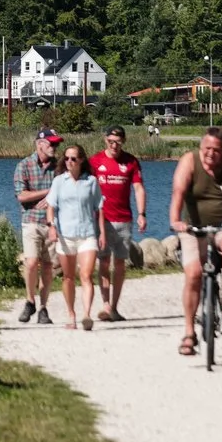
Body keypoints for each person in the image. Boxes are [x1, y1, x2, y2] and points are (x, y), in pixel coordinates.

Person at [168, 127, 222, 356]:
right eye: (207, 148)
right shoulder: (189, 161)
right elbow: (178, 192)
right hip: (194, 228)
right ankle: (189, 332)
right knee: (194, 274)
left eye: (216, 150)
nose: (211, 154)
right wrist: (176, 220)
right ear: (200, 147)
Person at [89, 126, 148, 323]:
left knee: (120, 263)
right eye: (111, 142)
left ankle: (114, 306)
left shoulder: (131, 161)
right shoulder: (95, 161)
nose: (114, 146)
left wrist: (142, 213)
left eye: (118, 142)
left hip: (124, 219)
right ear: (105, 140)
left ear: (123, 142)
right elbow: (85, 187)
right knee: (104, 261)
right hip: (102, 220)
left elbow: (138, 188)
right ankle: (105, 304)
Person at [45, 141, 103, 329]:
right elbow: (51, 206)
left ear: (81, 160)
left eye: (73, 158)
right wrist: (51, 226)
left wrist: (102, 233)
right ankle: (71, 315)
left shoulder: (91, 182)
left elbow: (99, 208)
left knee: (86, 275)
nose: (69, 161)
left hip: (87, 234)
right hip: (65, 236)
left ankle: (87, 315)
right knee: (68, 277)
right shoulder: (59, 181)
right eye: (66, 158)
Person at [11, 127, 61, 325]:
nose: (55, 147)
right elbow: (22, 196)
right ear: (40, 144)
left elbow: (65, 191)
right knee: (31, 263)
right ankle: (30, 300)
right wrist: (49, 192)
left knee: (48, 266)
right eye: (51, 143)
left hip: (52, 223)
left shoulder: (59, 167)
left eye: (56, 144)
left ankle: (43, 308)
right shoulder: (24, 165)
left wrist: (54, 196)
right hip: (31, 220)